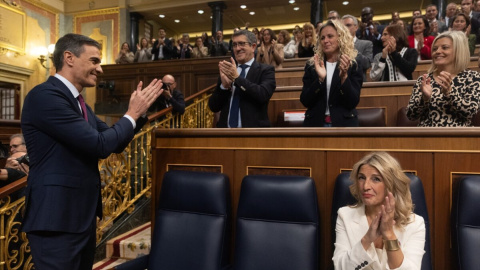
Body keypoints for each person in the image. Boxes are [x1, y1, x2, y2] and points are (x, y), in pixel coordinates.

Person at [21, 33, 163, 270]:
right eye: (95, 61)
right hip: (56, 219)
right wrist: (131, 114)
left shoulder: (79, 103)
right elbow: (99, 144)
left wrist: (137, 115)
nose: (100, 69)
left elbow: (112, 142)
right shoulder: (45, 96)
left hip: (80, 218)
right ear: (69, 57)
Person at [333, 152, 426, 270]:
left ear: (391, 184)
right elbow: (340, 267)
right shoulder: (345, 216)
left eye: (376, 179)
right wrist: (367, 239)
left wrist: (389, 234)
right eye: (362, 178)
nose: (365, 186)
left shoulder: (415, 223)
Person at [407, 31, 480, 126]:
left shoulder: (473, 78)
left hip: (459, 138)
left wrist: (450, 93)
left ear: (458, 51)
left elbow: (471, 112)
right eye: (435, 49)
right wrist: (424, 99)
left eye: (444, 47)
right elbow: (411, 115)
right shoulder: (424, 79)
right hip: (426, 137)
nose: (437, 52)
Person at [300, 20, 363, 127]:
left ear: (340, 38)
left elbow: (352, 102)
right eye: (323, 38)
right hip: (315, 124)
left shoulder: (353, 63)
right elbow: (305, 101)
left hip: (343, 124)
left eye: (330, 36)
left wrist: (344, 78)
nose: (326, 41)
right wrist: (320, 81)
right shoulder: (312, 64)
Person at [208, 29, 276, 128]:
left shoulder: (265, 70)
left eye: (241, 44)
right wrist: (224, 87)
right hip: (225, 135)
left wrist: (237, 78)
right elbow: (214, 107)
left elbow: (262, 95)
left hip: (254, 135)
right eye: (234, 45)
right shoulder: (228, 70)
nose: (237, 48)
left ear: (253, 47)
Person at [342, 14, 373, 81]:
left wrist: (350, 47)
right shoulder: (337, 45)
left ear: (356, 27)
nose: (345, 28)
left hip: (359, 85)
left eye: (348, 25)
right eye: (342, 26)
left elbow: (367, 64)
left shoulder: (366, 44)